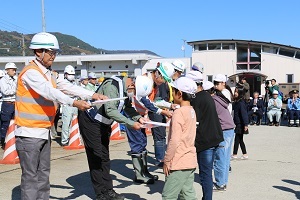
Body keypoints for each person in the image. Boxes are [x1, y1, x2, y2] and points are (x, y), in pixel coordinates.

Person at [14, 32, 106, 200]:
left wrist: (93, 95)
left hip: (44, 132)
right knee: (30, 178)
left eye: (55, 52)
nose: (53, 56)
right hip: (28, 134)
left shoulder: (50, 73)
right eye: (50, 52)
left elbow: (66, 86)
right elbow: (50, 92)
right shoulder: (31, 73)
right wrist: (74, 103)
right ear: (38, 52)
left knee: (43, 176)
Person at [79, 74, 153, 200]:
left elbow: (127, 107)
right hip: (90, 121)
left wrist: (138, 118)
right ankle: (100, 194)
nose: (133, 96)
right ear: (132, 85)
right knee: (96, 157)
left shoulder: (126, 89)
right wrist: (131, 123)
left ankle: (108, 190)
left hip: (103, 124)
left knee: (105, 158)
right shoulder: (112, 86)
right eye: (134, 93)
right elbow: (110, 110)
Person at [125, 76, 173, 184]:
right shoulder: (131, 93)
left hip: (140, 119)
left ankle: (144, 172)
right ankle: (139, 174)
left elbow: (148, 102)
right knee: (137, 145)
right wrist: (164, 112)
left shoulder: (142, 90)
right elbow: (146, 105)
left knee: (142, 143)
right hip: (133, 120)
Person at [188, 73, 224, 200]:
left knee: (205, 174)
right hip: (214, 138)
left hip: (206, 141)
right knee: (207, 173)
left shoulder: (197, 99)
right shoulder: (206, 96)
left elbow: (193, 121)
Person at [162, 77, 198, 200]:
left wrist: (167, 160)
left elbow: (175, 140)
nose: (172, 93)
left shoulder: (179, 113)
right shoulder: (192, 111)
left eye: (173, 90)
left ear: (180, 93)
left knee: (168, 196)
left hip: (178, 162)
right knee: (187, 195)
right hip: (190, 160)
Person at [146, 62, 176, 167]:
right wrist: (164, 110)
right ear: (158, 74)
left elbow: (156, 101)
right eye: (163, 79)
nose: (163, 82)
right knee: (158, 135)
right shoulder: (147, 82)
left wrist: (169, 106)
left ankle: (161, 158)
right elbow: (151, 102)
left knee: (161, 135)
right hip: (149, 113)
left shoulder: (156, 83)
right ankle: (159, 159)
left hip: (158, 110)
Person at [208, 78, 235, 191]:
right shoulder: (222, 96)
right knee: (225, 157)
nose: (216, 85)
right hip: (229, 127)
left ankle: (220, 183)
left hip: (223, 128)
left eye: (217, 83)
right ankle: (223, 182)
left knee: (220, 158)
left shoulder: (215, 99)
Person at [0, 62, 18, 149]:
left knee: (16, 123)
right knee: (5, 123)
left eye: (15, 70)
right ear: (7, 70)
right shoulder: (3, 80)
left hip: (15, 103)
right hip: (7, 104)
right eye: (12, 70)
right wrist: (15, 90)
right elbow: (5, 92)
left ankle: (14, 140)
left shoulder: (16, 79)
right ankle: (3, 141)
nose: (14, 72)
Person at [60, 65, 79, 146]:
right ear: (65, 74)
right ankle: (65, 140)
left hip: (75, 104)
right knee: (66, 124)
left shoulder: (75, 83)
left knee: (74, 123)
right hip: (67, 105)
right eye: (69, 74)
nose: (71, 76)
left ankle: (74, 137)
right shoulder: (62, 83)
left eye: (72, 74)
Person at [232, 87, 249, 160]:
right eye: (235, 92)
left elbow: (244, 114)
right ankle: (245, 154)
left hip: (240, 124)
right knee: (240, 140)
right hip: (237, 123)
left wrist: (246, 124)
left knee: (237, 139)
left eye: (237, 92)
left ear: (240, 93)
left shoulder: (241, 103)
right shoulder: (236, 102)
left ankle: (234, 154)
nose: (235, 93)